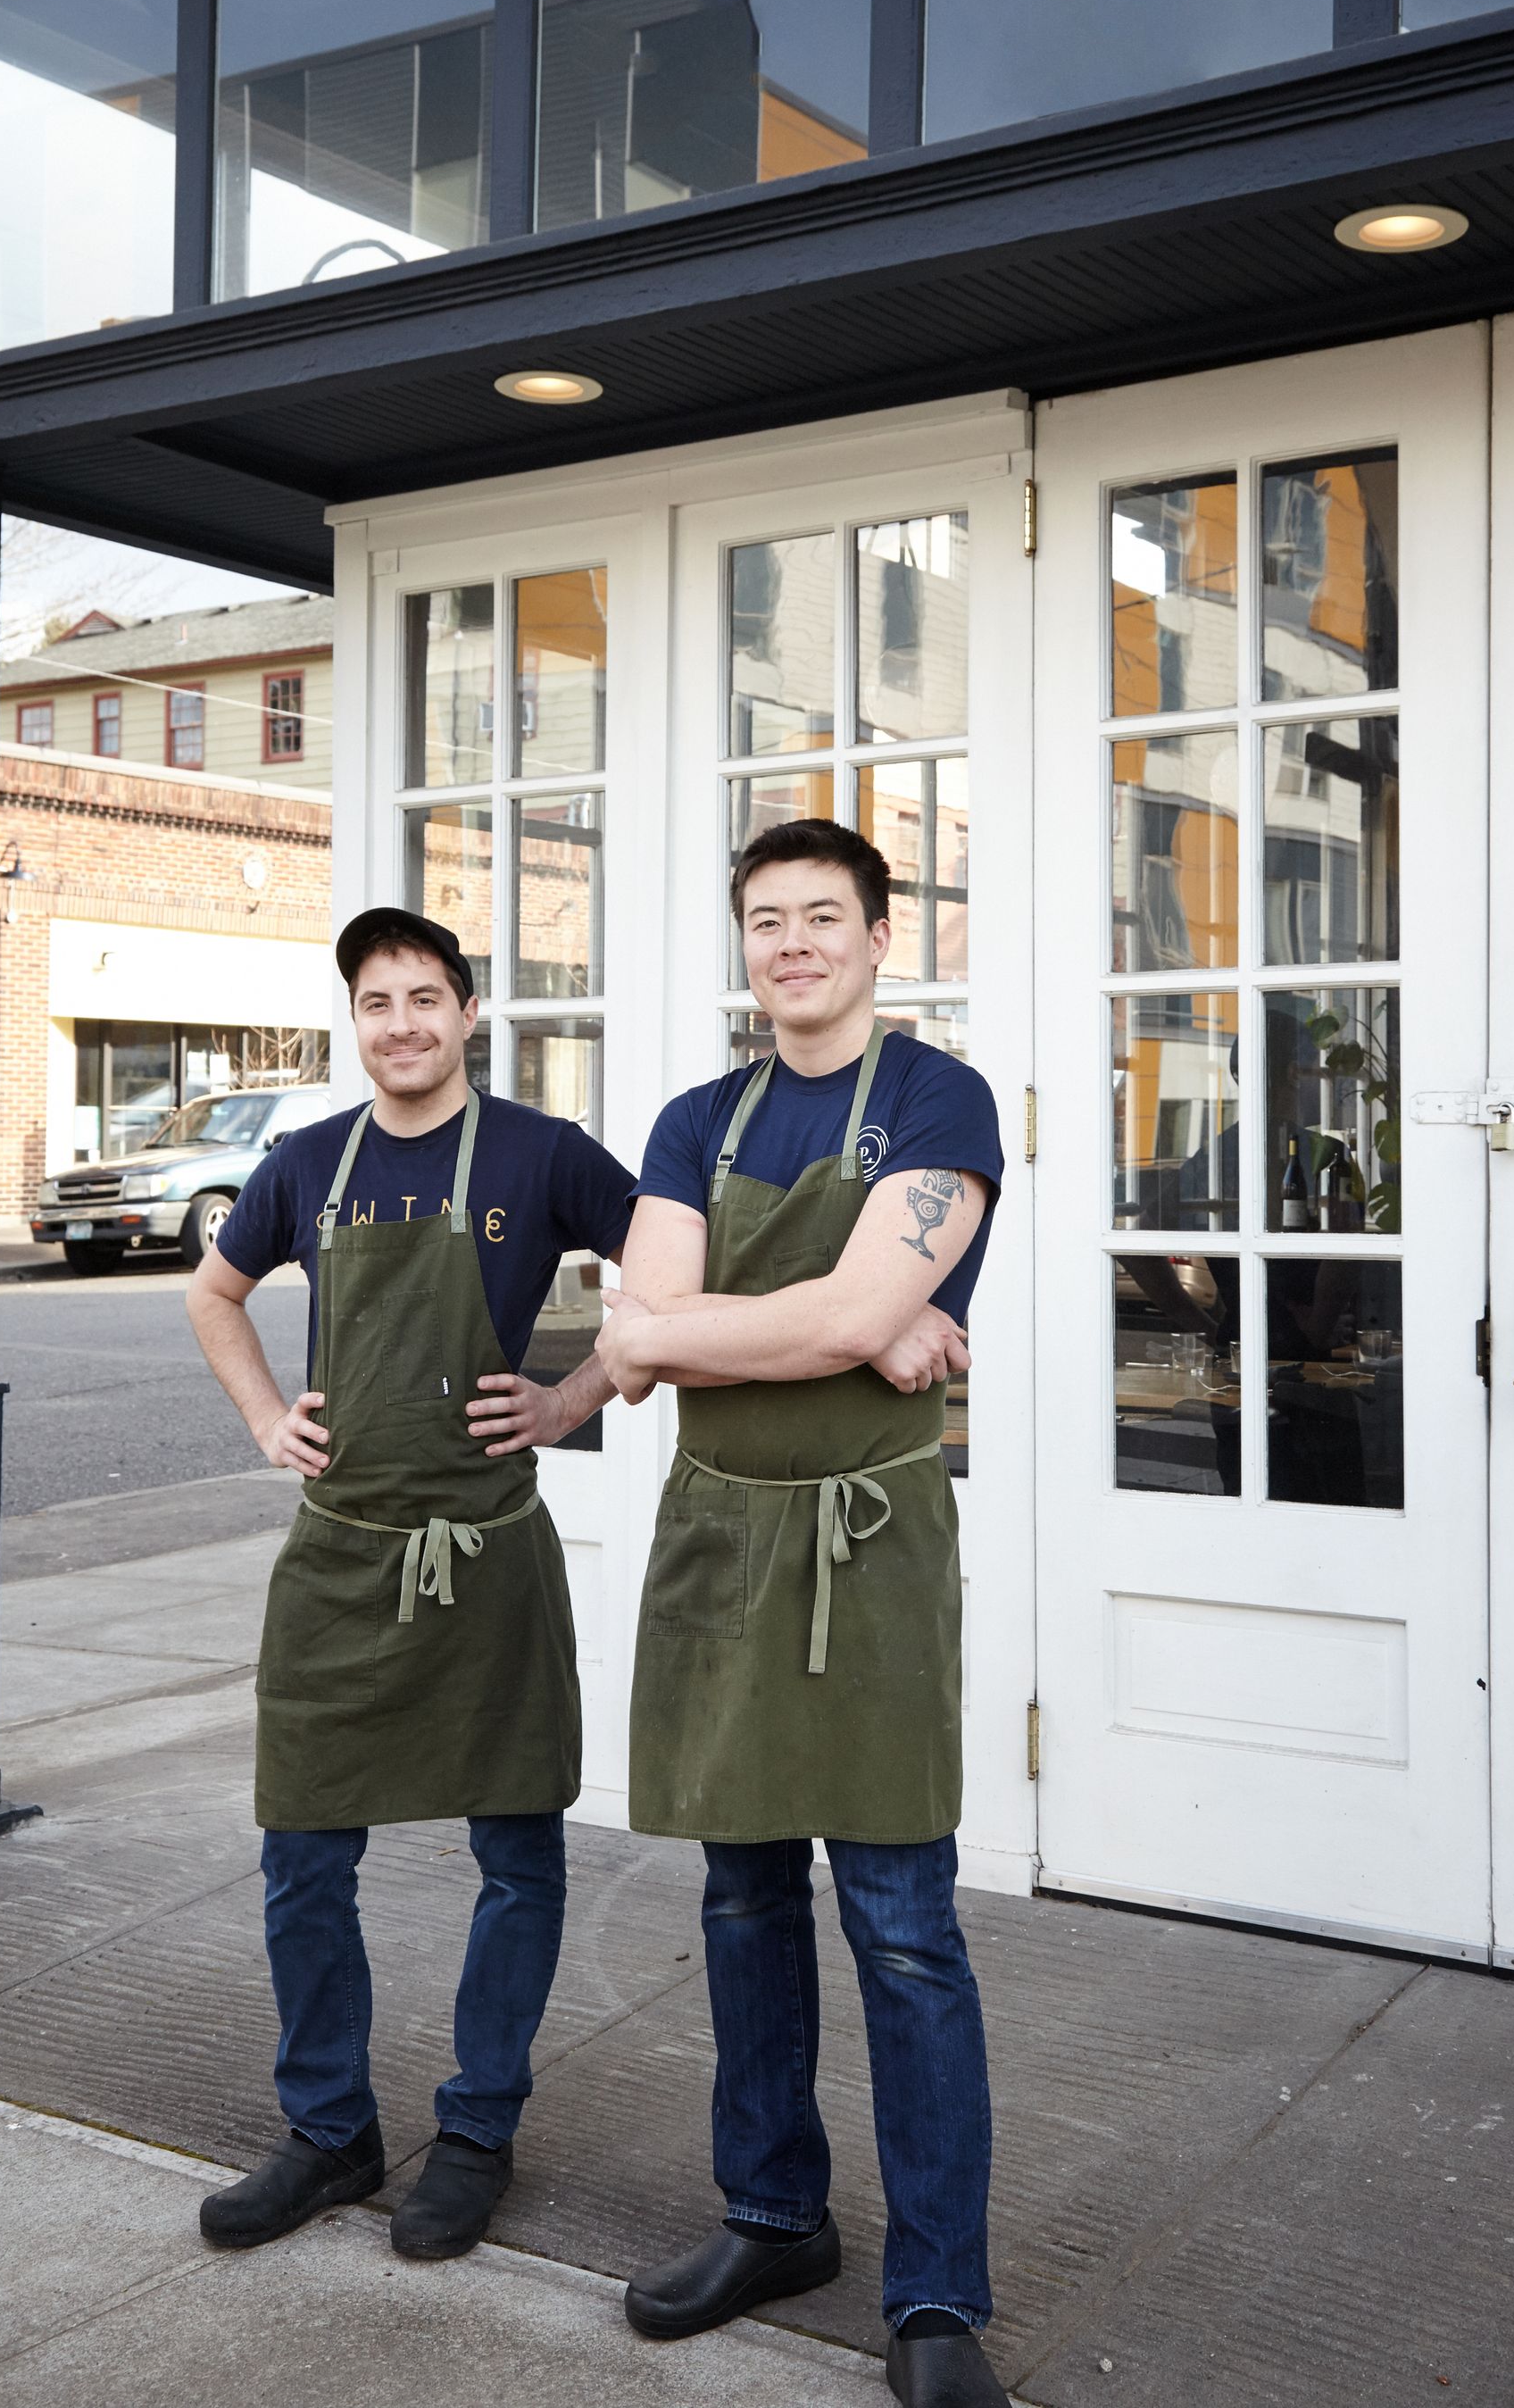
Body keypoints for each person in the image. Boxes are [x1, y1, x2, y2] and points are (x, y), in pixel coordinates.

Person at [596, 817, 1009, 2408]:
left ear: (880, 935)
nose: (792, 943)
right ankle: (772, 2216)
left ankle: (937, 2299)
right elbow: (630, 1342)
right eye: (765, 919)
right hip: (718, 1547)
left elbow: (756, 1314)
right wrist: (852, 1326)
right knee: (742, 1903)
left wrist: (839, 1321)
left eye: (822, 916)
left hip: (869, 1547)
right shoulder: (698, 1114)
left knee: (904, 1929)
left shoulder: (936, 1097)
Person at [185, 908, 633, 2263]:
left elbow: (673, 1282)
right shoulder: (308, 1162)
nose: (402, 1025)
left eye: (426, 998)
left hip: (488, 1552)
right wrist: (269, 1418)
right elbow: (215, 1295)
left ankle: (478, 2132)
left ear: (468, 1013)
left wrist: (570, 1395)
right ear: (356, 1021)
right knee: (304, 1855)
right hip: (338, 1558)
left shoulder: (545, 1154)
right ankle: (329, 2131)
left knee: (518, 1856)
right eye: (377, 1003)